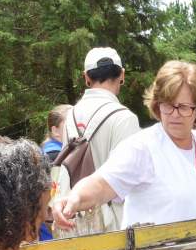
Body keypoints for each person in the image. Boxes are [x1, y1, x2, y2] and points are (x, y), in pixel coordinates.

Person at [53, 60, 196, 230]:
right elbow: (101, 184)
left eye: (184, 107)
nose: (175, 115)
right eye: (168, 105)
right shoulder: (142, 147)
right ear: (157, 106)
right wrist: (73, 198)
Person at [57, 47, 140, 232]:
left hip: (75, 221)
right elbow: (131, 180)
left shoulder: (70, 116)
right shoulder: (125, 118)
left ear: (86, 77)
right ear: (122, 75)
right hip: (114, 226)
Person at [41, 104, 73, 241]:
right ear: (55, 131)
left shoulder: (47, 151)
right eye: (69, 123)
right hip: (53, 223)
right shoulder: (55, 156)